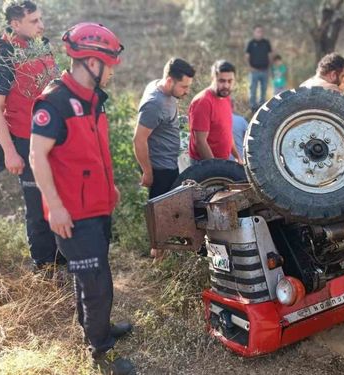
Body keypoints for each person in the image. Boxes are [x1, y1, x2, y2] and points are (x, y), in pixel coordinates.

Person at [29, 22, 134, 375]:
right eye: (110, 66)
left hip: (96, 206)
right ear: (92, 62)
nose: (112, 75)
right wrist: (55, 207)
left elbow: (92, 153)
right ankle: (100, 351)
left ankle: (94, 329)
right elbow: (36, 156)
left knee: (87, 276)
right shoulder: (55, 101)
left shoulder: (92, 100)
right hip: (73, 213)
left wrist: (111, 188)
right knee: (97, 282)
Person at [0, 1, 63, 271]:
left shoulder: (43, 47)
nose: (41, 25)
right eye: (34, 21)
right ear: (15, 24)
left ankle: (63, 256)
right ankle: (44, 265)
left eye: (41, 19)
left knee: (60, 196)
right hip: (27, 142)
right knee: (37, 205)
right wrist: (9, 151)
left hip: (56, 139)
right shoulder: (4, 58)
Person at [134, 57, 195, 200]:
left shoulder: (161, 87)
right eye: (184, 87)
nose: (187, 91)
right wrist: (148, 173)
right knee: (163, 217)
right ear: (169, 81)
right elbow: (139, 140)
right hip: (161, 170)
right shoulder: (154, 104)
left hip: (171, 163)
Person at [188, 60, 241, 164]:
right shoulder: (203, 102)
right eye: (222, 81)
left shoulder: (226, 97)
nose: (226, 85)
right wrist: (215, 168)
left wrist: (237, 156)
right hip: (204, 165)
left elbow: (227, 132)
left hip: (221, 162)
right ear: (213, 78)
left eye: (230, 81)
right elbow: (200, 142)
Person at [245, 25, 272, 111]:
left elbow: (270, 55)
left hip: (264, 70)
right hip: (254, 71)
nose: (259, 33)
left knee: (263, 90)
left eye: (261, 31)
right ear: (254, 33)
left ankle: (261, 108)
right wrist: (249, 67)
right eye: (257, 31)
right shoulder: (251, 43)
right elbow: (247, 56)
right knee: (253, 89)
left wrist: (269, 66)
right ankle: (253, 107)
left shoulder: (266, 43)